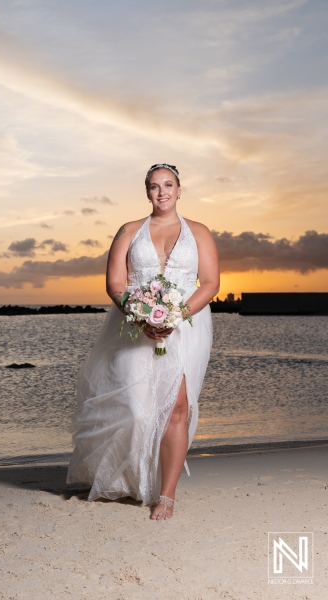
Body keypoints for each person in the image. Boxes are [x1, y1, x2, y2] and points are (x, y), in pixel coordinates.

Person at [66, 163, 219, 520]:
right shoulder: (130, 230)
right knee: (136, 410)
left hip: (187, 326)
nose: (162, 192)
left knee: (176, 409)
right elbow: (115, 285)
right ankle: (130, 478)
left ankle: (166, 495)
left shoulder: (199, 232)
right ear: (146, 192)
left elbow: (209, 283)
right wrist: (140, 317)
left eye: (168, 185)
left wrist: (177, 315)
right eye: (154, 186)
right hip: (134, 326)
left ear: (180, 190)